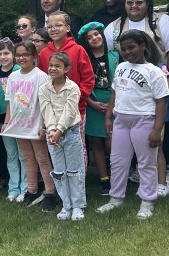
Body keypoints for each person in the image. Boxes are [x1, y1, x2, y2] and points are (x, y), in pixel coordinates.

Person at [97, 30, 169, 220]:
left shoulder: (154, 72)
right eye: (123, 49)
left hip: (144, 120)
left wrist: (157, 129)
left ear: (143, 46)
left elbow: (162, 102)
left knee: (146, 163)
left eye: (131, 48)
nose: (127, 52)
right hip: (121, 120)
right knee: (118, 161)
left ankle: (147, 202)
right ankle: (116, 198)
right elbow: (115, 92)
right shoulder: (121, 67)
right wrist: (107, 117)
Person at [1, 42, 57, 210]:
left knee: (42, 158)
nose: (21, 58)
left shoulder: (41, 76)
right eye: (18, 55)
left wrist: (44, 126)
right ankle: (31, 190)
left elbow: (46, 103)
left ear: (34, 56)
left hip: (36, 125)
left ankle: (50, 192)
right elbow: (10, 101)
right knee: (27, 158)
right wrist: (7, 122)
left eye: (25, 54)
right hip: (19, 125)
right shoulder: (13, 76)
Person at [37, 11, 95, 171]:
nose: (53, 29)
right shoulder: (43, 54)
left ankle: (78, 183)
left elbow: (88, 80)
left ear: (68, 27)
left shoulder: (78, 50)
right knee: (56, 147)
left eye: (58, 25)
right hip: (52, 112)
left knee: (77, 147)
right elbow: (42, 82)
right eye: (50, 26)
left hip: (76, 110)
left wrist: (77, 99)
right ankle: (62, 185)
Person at [39, 52, 87, 221]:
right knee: (59, 171)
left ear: (66, 69)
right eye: (51, 65)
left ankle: (78, 206)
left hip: (70, 132)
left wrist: (59, 131)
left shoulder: (73, 88)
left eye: (57, 66)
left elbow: (69, 111)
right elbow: (47, 110)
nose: (53, 68)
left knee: (74, 170)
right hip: (52, 134)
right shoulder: (44, 88)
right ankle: (66, 205)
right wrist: (52, 131)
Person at [78, 21, 118, 195]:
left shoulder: (115, 55)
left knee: (112, 143)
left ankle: (117, 175)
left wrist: (113, 103)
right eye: (89, 37)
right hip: (93, 103)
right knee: (96, 143)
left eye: (96, 34)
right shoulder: (84, 59)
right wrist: (91, 102)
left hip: (115, 102)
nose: (94, 38)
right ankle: (104, 179)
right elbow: (81, 83)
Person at [0, 39, 23, 197]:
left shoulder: (19, 70)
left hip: (19, 116)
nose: (3, 57)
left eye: (6, 53)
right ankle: (13, 187)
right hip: (1, 114)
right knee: (10, 153)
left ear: (13, 54)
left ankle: (25, 186)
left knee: (22, 153)